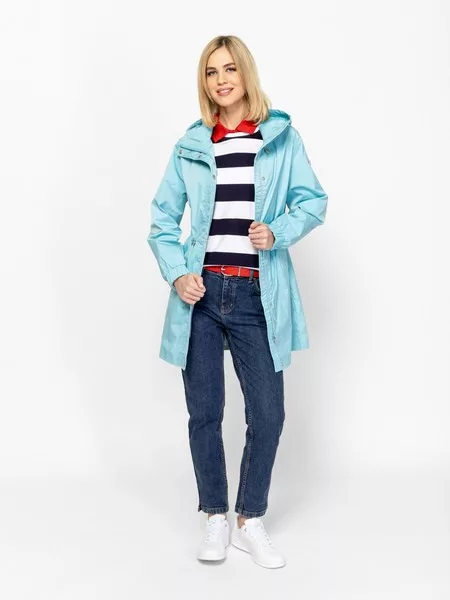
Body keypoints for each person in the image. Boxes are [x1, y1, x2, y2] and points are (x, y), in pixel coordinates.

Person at [147, 35, 328, 569]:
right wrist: (178, 274)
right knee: (205, 414)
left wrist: (278, 231)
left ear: (245, 73)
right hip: (202, 295)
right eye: (211, 72)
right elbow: (162, 219)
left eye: (229, 69)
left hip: (256, 294)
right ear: (203, 83)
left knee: (268, 413)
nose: (221, 80)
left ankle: (249, 518)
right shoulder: (191, 145)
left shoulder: (279, 138)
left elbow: (313, 201)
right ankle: (214, 515)